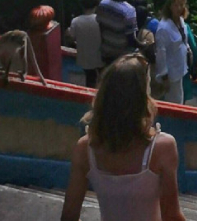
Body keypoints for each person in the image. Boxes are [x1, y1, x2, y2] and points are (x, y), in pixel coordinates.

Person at [61, 54, 187, 221]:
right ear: (143, 99)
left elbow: (69, 214)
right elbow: (171, 216)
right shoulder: (163, 147)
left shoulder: (85, 148)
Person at [154, 0, 192, 104]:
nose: (179, 8)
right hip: (171, 73)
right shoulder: (164, 28)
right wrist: (164, 76)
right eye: (176, 5)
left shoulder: (181, 21)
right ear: (170, 6)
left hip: (181, 68)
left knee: (180, 98)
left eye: (181, 5)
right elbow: (161, 53)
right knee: (174, 102)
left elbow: (183, 39)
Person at [97, 0, 140, 67]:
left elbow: (100, 26)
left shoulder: (103, 3)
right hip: (120, 56)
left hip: (105, 51)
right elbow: (131, 40)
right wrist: (144, 45)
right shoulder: (129, 10)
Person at [68, 0, 104, 88]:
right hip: (100, 57)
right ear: (97, 5)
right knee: (102, 78)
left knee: (90, 79)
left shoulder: (75, 21)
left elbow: (71, 38)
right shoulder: (100, 20)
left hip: (85, 58)